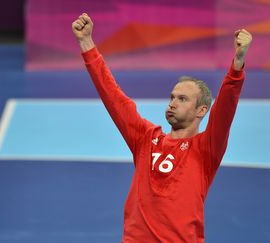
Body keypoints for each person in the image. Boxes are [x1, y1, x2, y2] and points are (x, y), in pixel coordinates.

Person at [72, 13, 252, 242]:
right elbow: (114, 97)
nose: (172, 103)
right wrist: (86, 42)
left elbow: (225, 111)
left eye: (183, 99)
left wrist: (237, 66)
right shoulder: (145, 138)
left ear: (201, 110)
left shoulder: (206, 149)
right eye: (172, 97)